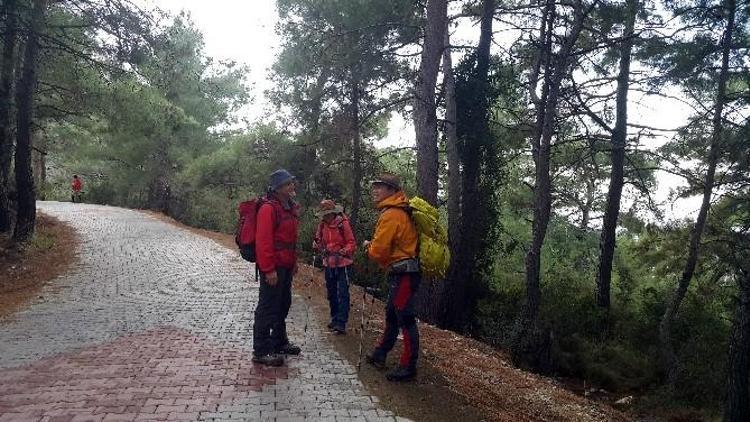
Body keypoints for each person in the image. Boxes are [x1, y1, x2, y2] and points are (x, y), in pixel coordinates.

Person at [363, 173, 421, 382]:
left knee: (404, 318)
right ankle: (380, 353)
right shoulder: (399, 210)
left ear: (392, 191)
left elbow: (379, 252)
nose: (375, 190)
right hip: (405, 272)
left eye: (381, 187)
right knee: (392, 313)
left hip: (405, 273)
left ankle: (408, 366)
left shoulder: (391, 214)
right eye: (374, 186)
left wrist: (368, 247)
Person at [252, 169, 301, 366]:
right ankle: (261, 350)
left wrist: (294, 262)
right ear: (278, 188)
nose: (292, 187)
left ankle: (279, 341)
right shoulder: (268, 209)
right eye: (288, 184)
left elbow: (291, 239)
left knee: (283, 303)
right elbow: (263, 242)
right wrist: (268, 269)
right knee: (267, 308)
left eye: (292, 183)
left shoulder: (289, 207)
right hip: (273, 267)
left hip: (286, 265)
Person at [313, 199, 356, 335]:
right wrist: (317, 245)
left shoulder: (343, 224)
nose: (325, 216)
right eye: (324, 214)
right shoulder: (322, 225)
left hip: (343, 263)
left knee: (343, 292)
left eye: (327, 214)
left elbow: (351, 242)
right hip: (328, 262)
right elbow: (319, 241)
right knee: (331, 292)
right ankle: (335, 317)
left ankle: (341, 322)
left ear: (333, 213)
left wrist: (346, 250)